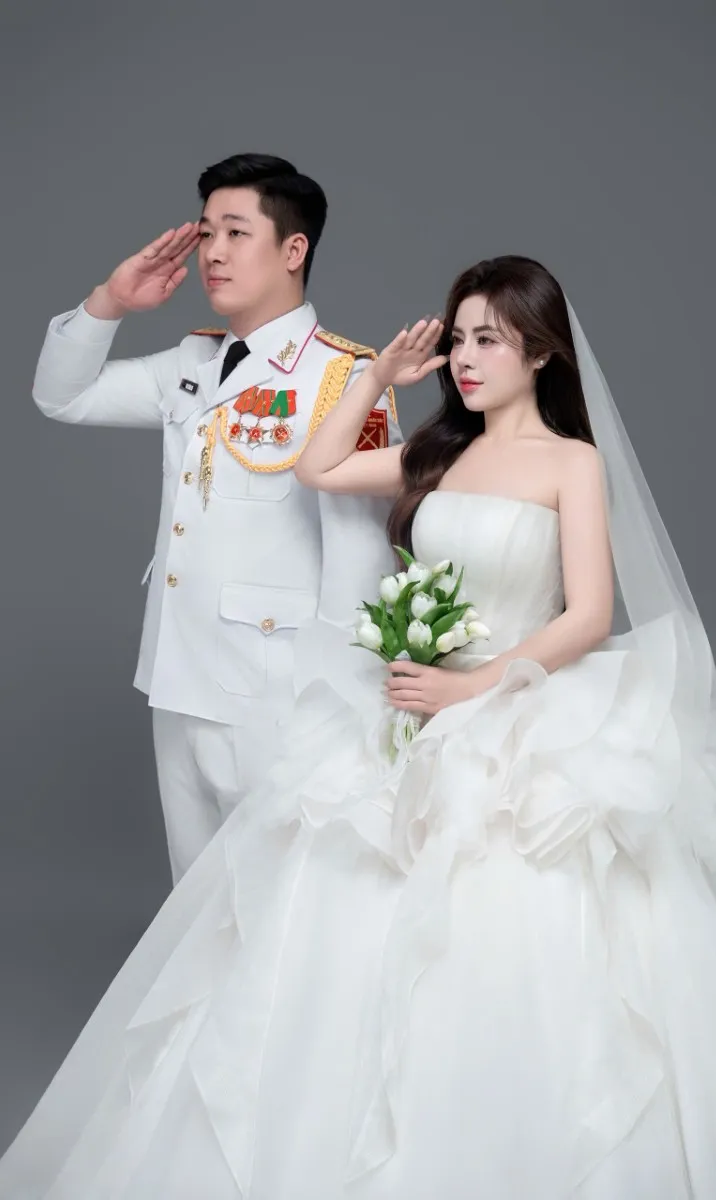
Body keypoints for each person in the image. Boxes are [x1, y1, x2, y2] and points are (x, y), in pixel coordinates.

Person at [3, 255, 716, 1199]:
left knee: (522, 931)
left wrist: (477, 690)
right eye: (457, 339)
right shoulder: (438, 452)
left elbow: (589, 615)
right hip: (413, 707)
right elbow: (319, 467)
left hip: (523, 709)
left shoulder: (571, 462)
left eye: (488, 340)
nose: (464, 358)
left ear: (542, 353)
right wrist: (377, 377)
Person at [31, 152, 401, 882]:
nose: (214, 253)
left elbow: (361, 554)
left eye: (236, 232)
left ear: (293, 250)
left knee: (283, 894)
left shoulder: (346, 377)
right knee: (194, 900)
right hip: (176, 672)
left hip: (280, 689)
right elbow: (62, 396)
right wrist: (110, 301)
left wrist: (345, 706)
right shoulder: (192, 360)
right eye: (205, 234)